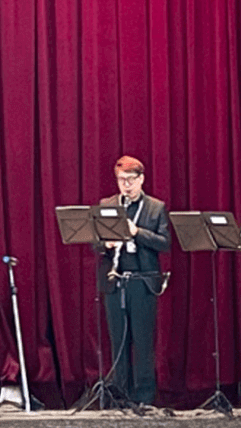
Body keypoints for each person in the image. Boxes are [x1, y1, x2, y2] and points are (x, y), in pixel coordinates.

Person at [95, 155, 170, 408]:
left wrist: (137, 232)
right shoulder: (107, 204)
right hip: (114, 279)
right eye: (121, 180)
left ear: (141, 179)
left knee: (143, 340)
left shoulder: (155, 207)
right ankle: (121, 395)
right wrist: (106, 243)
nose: (126, 185)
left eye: (130, 179)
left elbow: (165, 243)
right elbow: (95, 240)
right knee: (118, 340)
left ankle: (144, 397)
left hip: (142, 281)